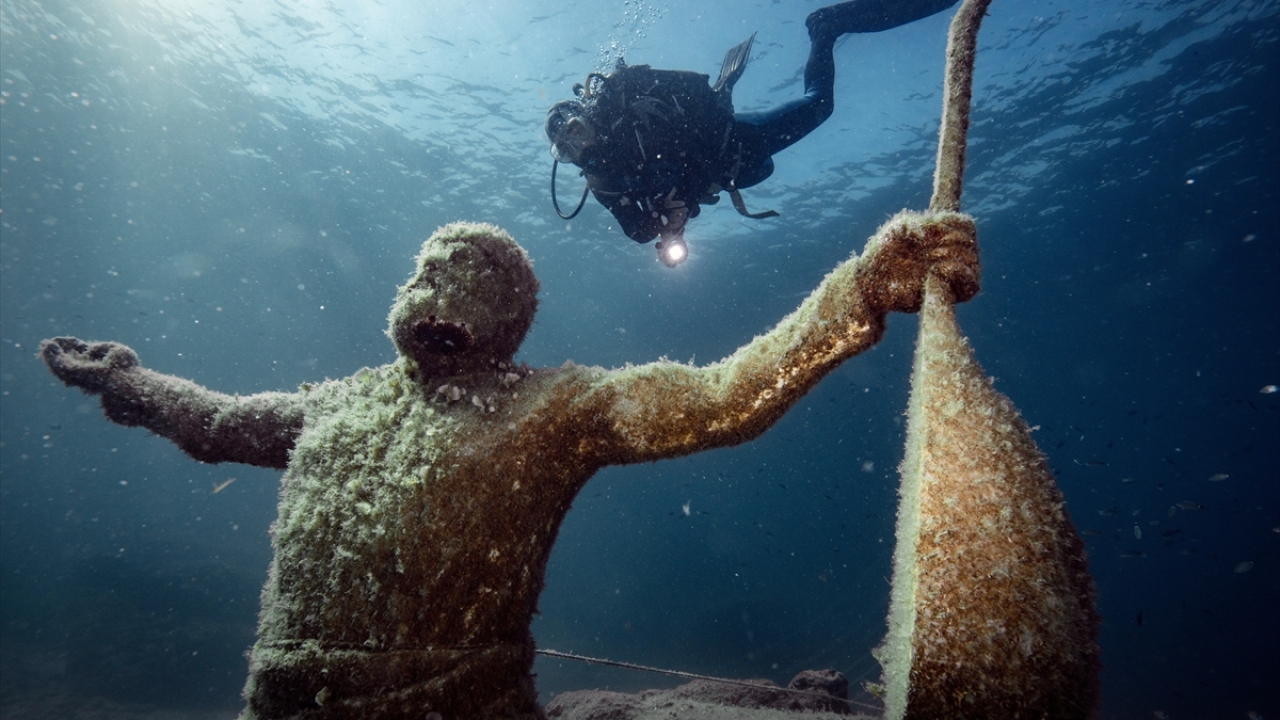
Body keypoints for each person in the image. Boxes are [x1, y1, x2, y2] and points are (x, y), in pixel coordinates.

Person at [39, 215, 978, 718]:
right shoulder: (336, 406)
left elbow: (723, 396)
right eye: (430, 267)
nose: (438, 287)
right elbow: (216, 424)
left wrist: (860, 290)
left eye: (473, 274)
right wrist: (129, 380)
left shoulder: (555, 408)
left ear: (512, 314)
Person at [546, 0, 960, 267]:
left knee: (820, 105)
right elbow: (635, 230)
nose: (579, 147)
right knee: (774, 156)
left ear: (586, 116)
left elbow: (693, 99)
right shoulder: (603, 182)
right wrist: (667, 222)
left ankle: (825, 27)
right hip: (734, 172)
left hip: (738, 138)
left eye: (576, 131)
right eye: (566, 148)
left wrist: (679, 184)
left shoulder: (630, 105)